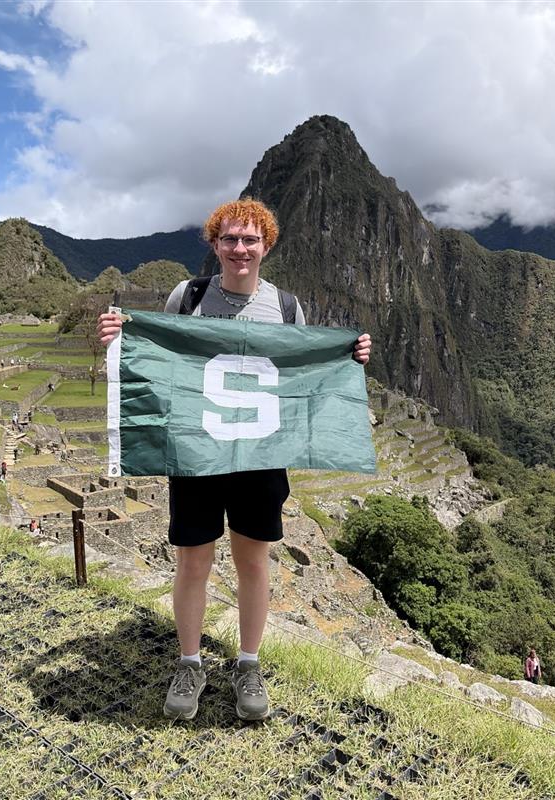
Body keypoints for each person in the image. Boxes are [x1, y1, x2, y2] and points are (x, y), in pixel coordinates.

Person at [97, 198, 371, 722]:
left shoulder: (288, 309)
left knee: (253, 562)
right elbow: (159, 364)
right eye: (229, 239)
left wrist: (349, 356)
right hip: (198, 454)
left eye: (249, 240)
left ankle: (248, 664)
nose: (239, 249)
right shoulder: (189, 295)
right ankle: (191, 662)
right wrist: (118, 341)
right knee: (193, 561)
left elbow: (302, 378)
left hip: (261, 458)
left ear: (266, 245)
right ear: (214, 245)